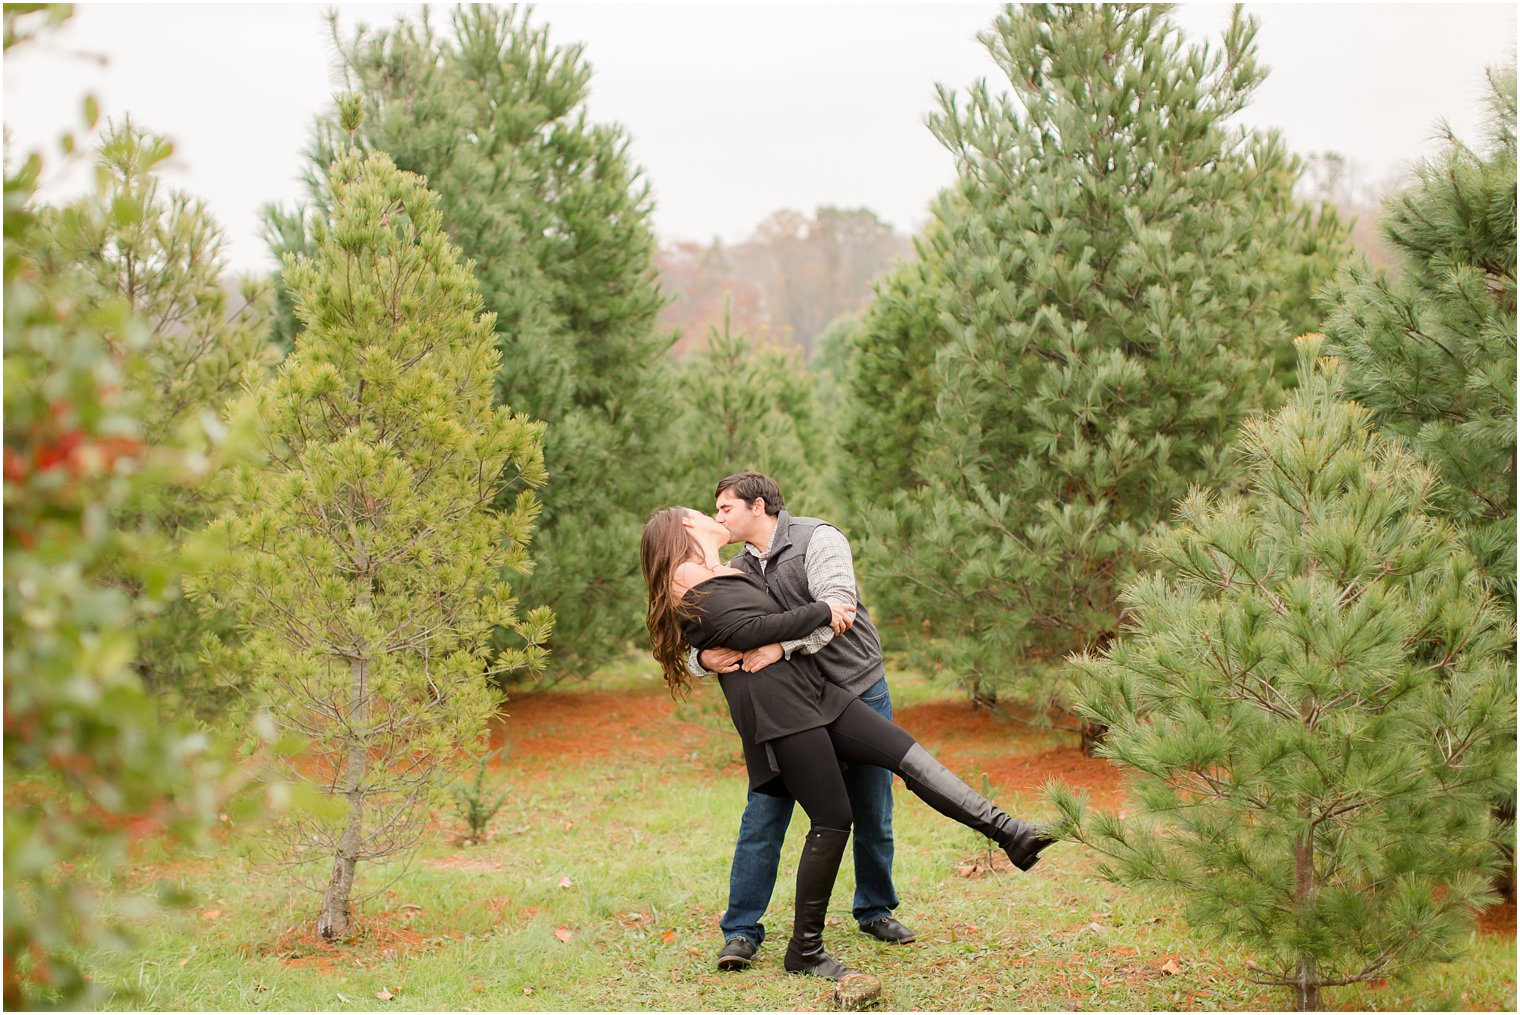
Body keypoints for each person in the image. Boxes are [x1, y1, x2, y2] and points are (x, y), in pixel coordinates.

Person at [641, 505, 1054, 981]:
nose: (714, 514)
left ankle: (1012, 834)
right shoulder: (687, 575)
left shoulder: (732, 565)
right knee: (832, 818)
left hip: (816, 689)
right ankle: (804, 949)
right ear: (685, 527)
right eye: (705, 512)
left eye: (723, 506)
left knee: (906, 754)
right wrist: (818, 613)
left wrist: (749, 640)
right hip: (780, 706)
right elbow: (747, 631)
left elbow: (742, 628)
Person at [688, 473, 912, 971]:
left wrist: (779, 646)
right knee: (763, 817)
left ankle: (875, 910)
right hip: (792, 708)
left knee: (872, 809)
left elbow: (840, 611)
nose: (719, 518)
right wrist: (704, 662)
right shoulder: (732, 570)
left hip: (857, 690)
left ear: (758, 505)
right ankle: (742, 931)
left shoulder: (818, 538)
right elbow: (697, 642)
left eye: (726, 508)